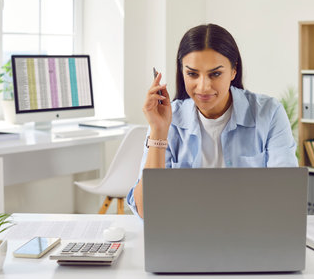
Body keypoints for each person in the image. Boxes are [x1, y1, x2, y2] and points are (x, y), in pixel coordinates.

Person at [127, 23, 298, 218]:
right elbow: (146, 210)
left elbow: (285, 197)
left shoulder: (269, 112)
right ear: (182, 72)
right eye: (192, 74)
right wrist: (158, 130)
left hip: (250, 230)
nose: (203, 87)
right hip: (185, 234)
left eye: (215, 74)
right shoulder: (168, 118)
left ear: (234, 71)